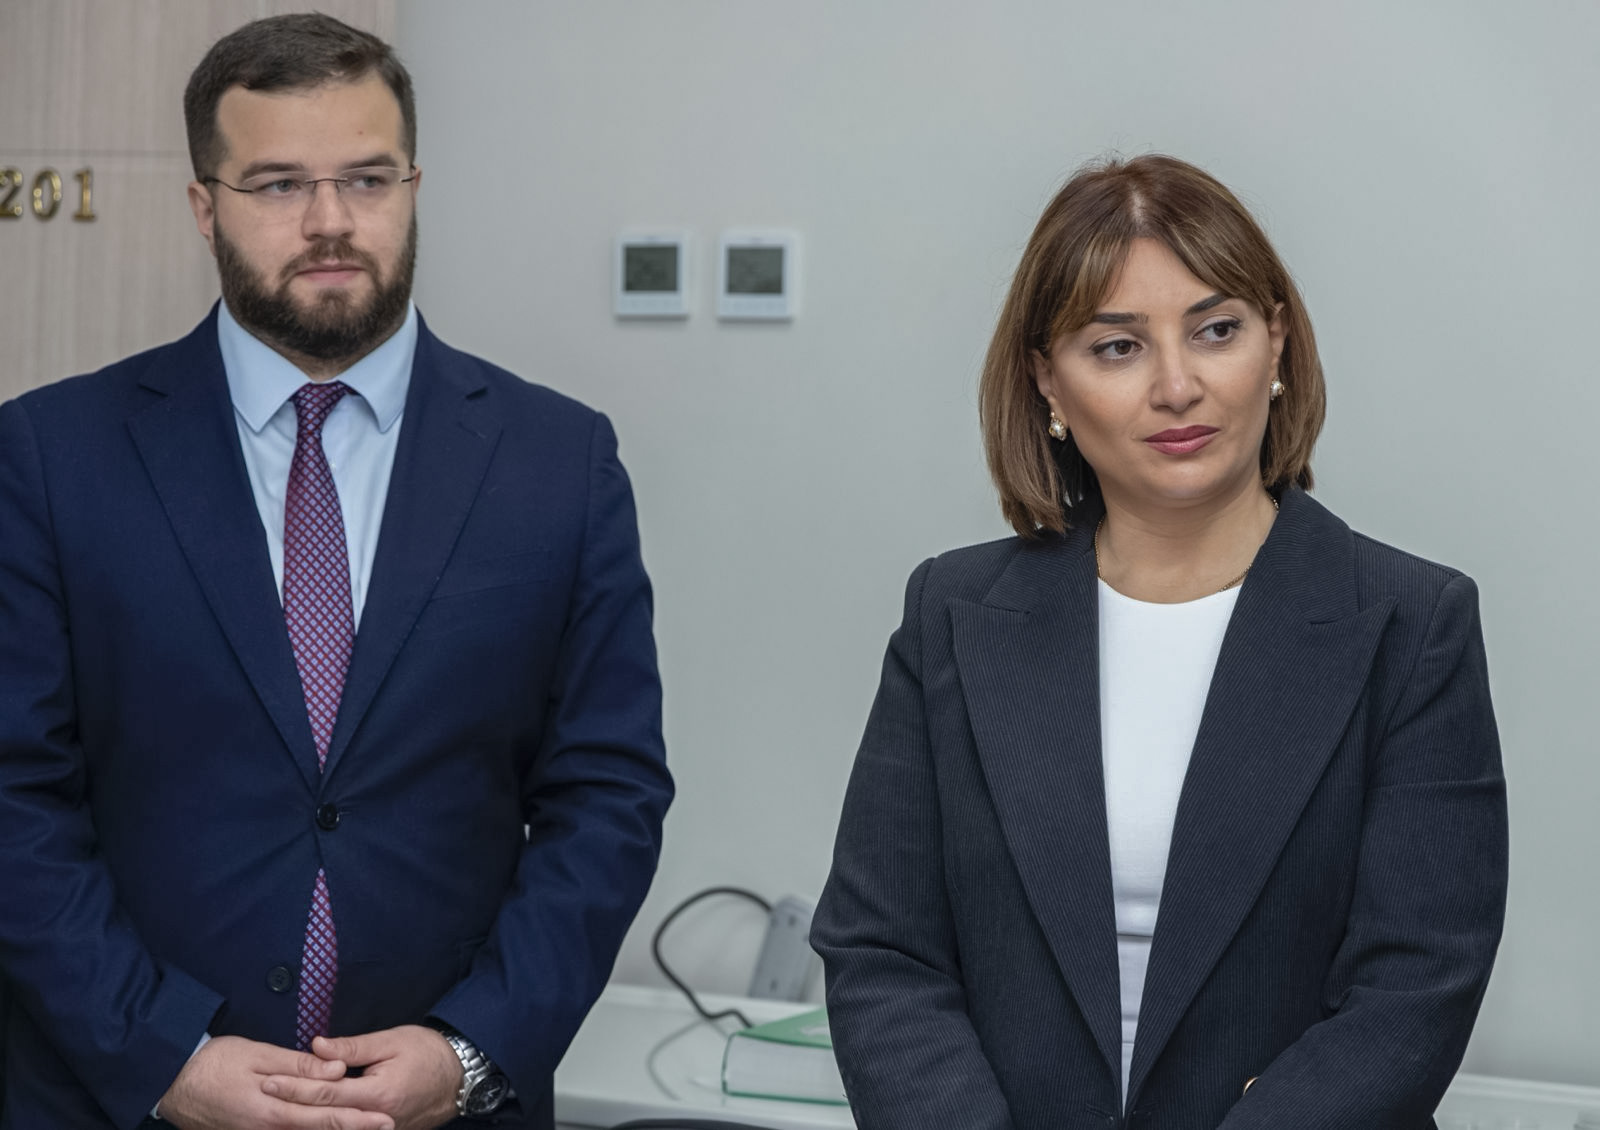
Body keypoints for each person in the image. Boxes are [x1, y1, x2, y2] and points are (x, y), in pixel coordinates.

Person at [0, 14, 672, 1130]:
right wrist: (162, 1056)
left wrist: (471, 1048)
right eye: (277, 185)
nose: (329, 222)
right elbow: (14, 797)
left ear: (413, 186)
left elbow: (608, 794)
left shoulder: (560, 461)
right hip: (122, 1097)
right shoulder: (50, 456)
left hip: (444, 1103)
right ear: (204, 206)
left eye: (366, 178)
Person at [811, 154, 1507, 1130]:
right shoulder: (952, 612)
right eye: (1117, 347)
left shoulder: (1412, 622)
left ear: (1275, 342)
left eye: (1216, 330)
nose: (1177, 385)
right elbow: (885, 954)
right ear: (1047, 381)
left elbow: (1413, 989)